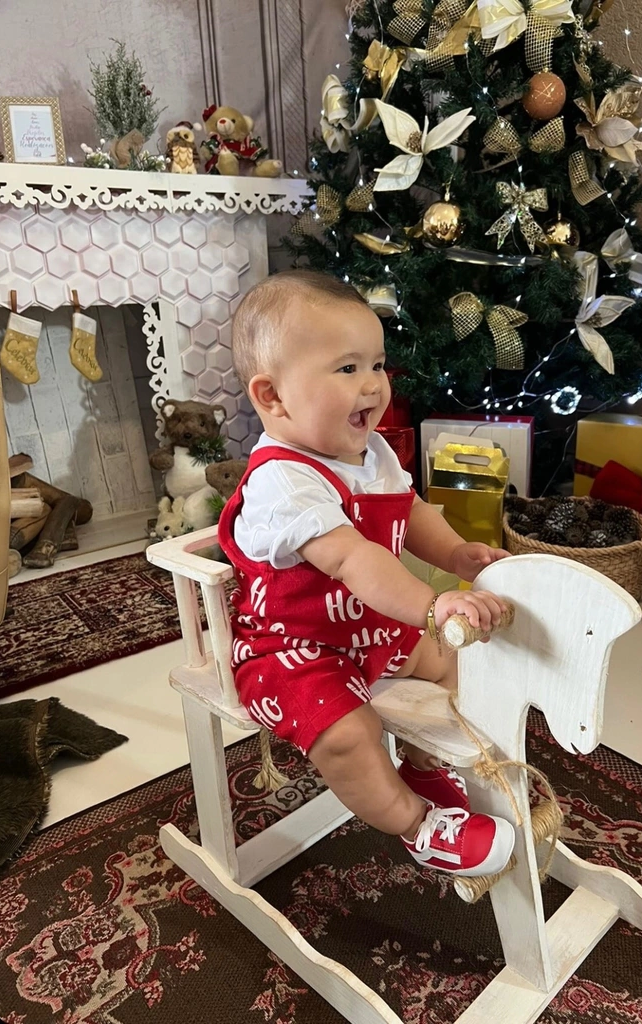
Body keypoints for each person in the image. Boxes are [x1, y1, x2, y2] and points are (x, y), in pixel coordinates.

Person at [217, 269, 515, 878]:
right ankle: (415, 823)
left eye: (377, 364)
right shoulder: (283, 480)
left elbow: (411, 510)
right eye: (347, 368)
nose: (374, 385)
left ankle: (423, 765)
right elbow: (354, 558)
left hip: (371, 629)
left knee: (452, 664)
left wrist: (456, 554)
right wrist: (433, 605)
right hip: (293, 647)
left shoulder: (371, 450)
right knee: (347, 733)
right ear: (273, 397)